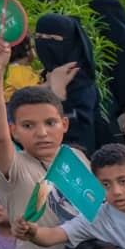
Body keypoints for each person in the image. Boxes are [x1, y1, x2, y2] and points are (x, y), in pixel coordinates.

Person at [0, 39, 89, 249]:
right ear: (14, 131)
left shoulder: (76, 157)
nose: (42, 133)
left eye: (50, 123)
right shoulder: (13, 167)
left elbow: (97, 214)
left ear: (64, 124)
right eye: (28, 125)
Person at [32, 14, 100, 153]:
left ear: (71, 44)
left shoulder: (82, 85)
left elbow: (81, 140)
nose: (44, 43)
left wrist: (58, 94)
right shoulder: (44, 76)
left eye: (53, 39)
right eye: (39, 37)